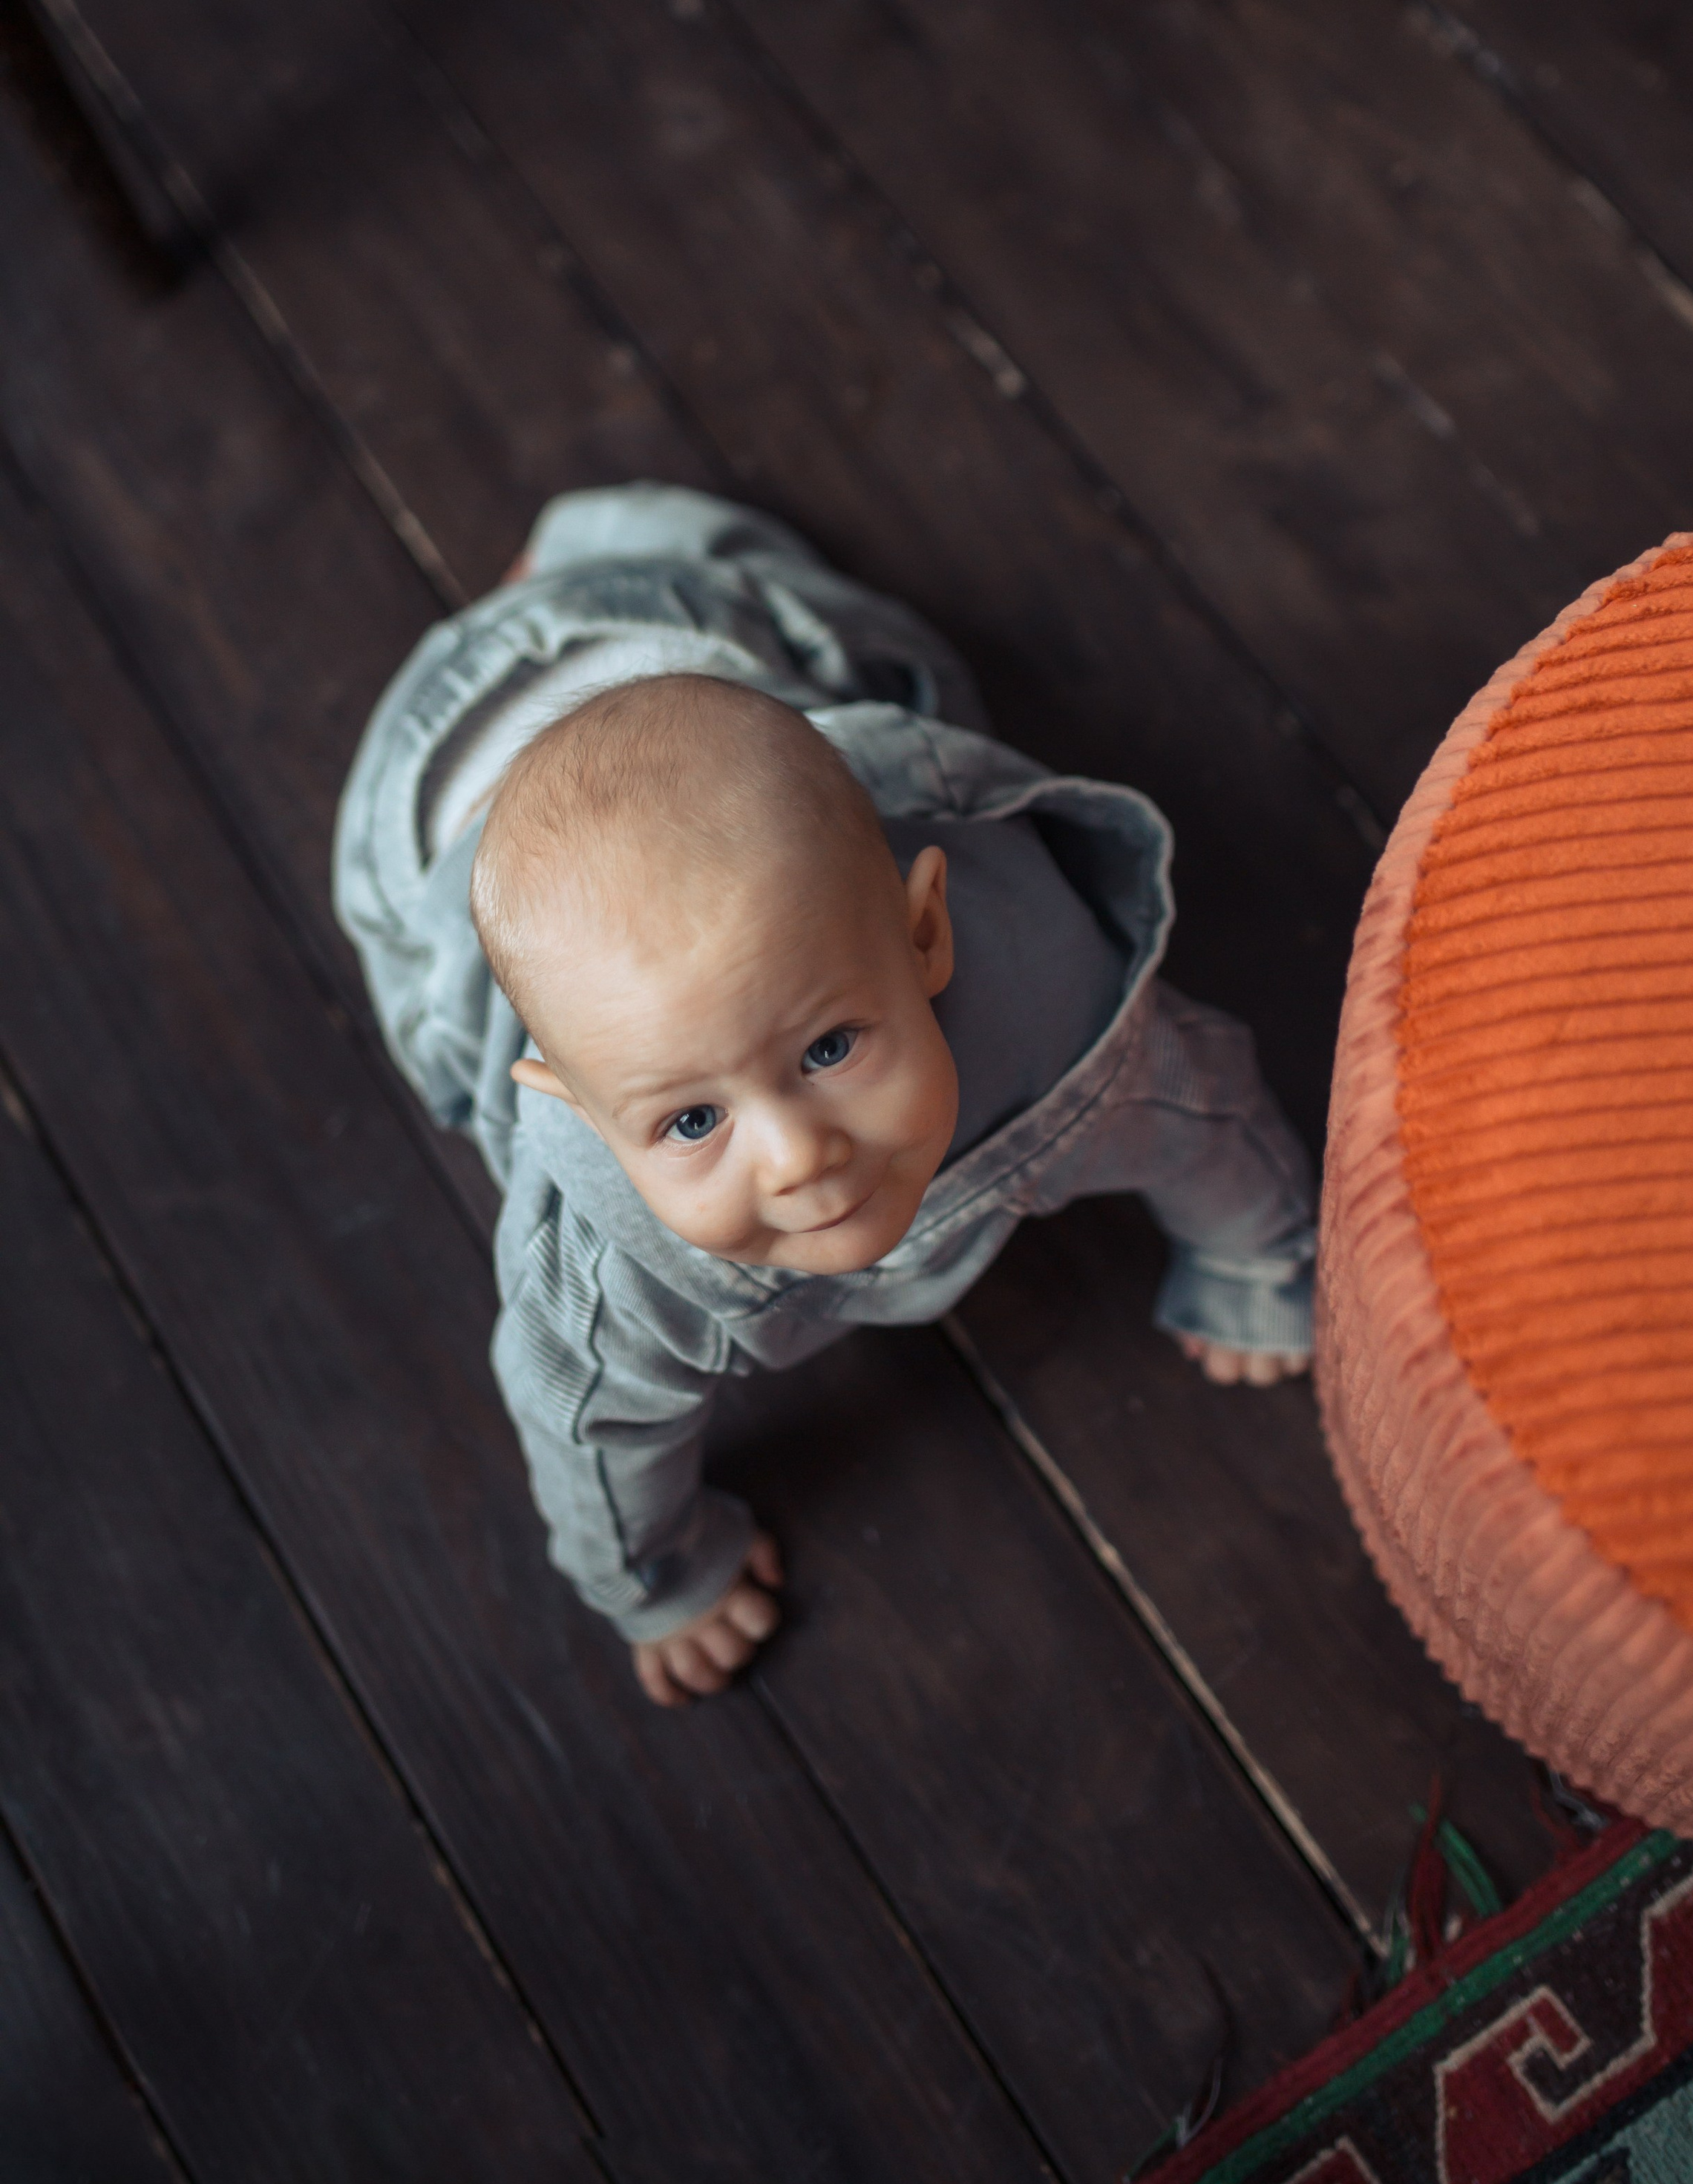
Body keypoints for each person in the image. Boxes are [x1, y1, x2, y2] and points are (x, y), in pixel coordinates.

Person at [335, 486, 1316, 1706]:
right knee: (431, 1031)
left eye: (831, 1048)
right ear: (578, 1112)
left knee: (877, 664)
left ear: (924, 937)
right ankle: (558, 582)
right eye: (691, 1121)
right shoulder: (603, 1268)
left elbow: (1200, 1108)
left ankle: (597, 553)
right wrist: (654, 1579)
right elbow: (589, 1431)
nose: (797, 1157)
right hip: (428, 796)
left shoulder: (1051, 994)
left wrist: (1260, 1262)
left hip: (669, 639)